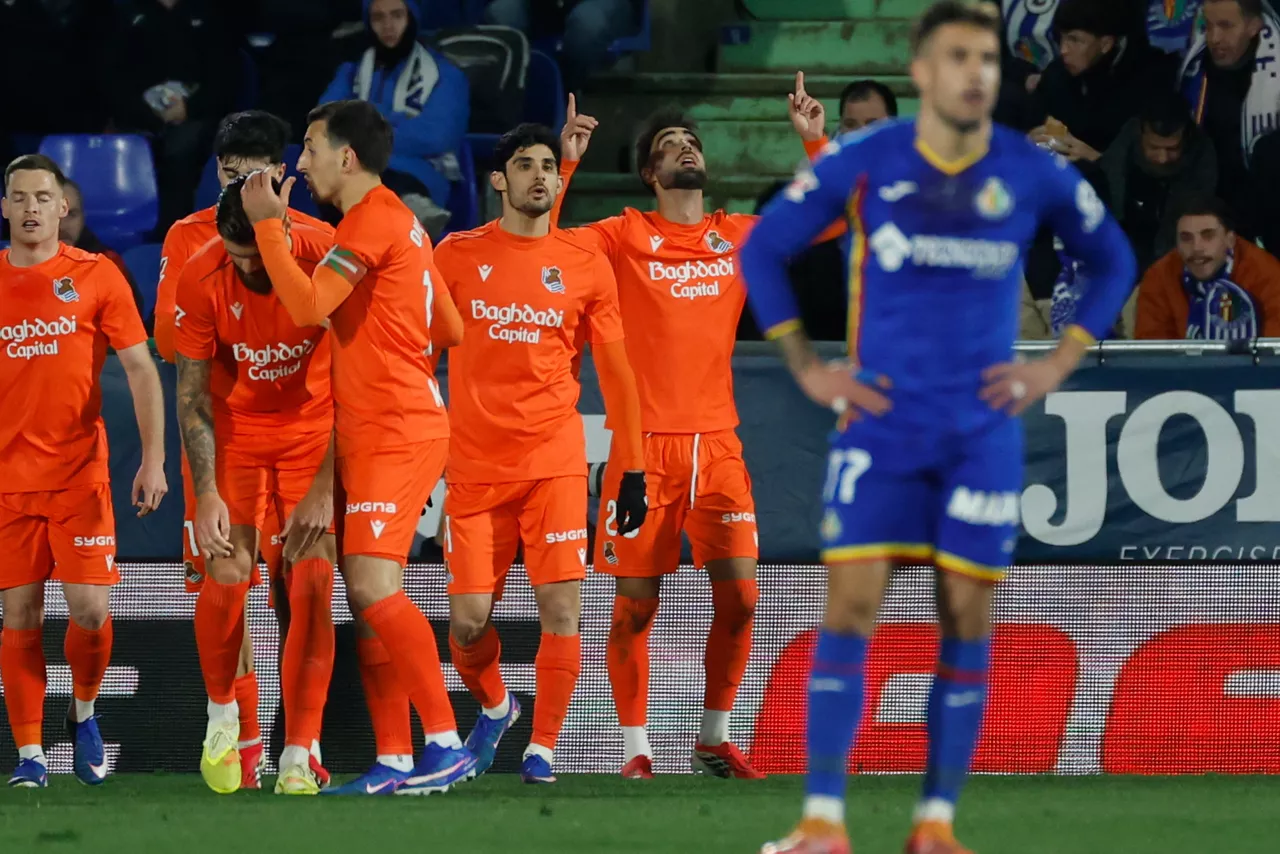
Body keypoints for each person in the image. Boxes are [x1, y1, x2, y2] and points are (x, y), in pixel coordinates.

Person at [739, 3, 1137, 853]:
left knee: (966, 619)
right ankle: (822, 821)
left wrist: (1056, 364)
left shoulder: (1028, 171)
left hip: (979, 434)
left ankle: (935, 826)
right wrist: (808, 366)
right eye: (957, 57)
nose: (975, 73)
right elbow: (764, 248)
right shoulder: (867, 160)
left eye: (988, 59)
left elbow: (1114, 261)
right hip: (881, 430)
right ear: (922, 71)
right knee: (848, 613)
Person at [239, 99, 473, 796]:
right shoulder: (396, 222)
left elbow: (309, 308)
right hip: (390, 421)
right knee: (372, 588)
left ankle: (444, 742)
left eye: (309, 148)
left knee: (372, 584)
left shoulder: (371, 222)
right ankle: (397, 758)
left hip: (393, 429)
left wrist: (269, 230)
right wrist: (390, 343)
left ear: (347, 155)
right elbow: (451, 329)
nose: (300, 163)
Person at [434, 123, 647, 784]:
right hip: (473, 470)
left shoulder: (585, 263)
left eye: (548, 166)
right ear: (498, 180)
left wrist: (631, 468)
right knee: (467, 628)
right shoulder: (455, 256)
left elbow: (617, 374)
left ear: (559, 178)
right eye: (523, 165)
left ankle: (542, 750)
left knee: (563, 611)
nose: (537, 175)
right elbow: (414, 354)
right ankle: (498, 707)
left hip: (553, 461)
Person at [153, 109, 334, 791]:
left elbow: (357, 379)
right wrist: (205, 495)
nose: (249, 270)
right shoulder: (198, 268)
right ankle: (224, 715)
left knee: (314, 582)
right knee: (225, 577)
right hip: (236, 432)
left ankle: (300, 752)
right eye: (238, 260)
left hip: (312, 428)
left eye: (259, 256)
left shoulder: (323, 249)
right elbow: (192, 393)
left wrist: (323, 482)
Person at [0, 154, 167, 788]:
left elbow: (142, 368)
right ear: (6, 207)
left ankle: (84, 712)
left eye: (43, 196)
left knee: (91, 611)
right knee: (19, 616)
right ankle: (30, 757)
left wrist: (153, 459)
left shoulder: (97, 277)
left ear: (63, 207)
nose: (32, 208)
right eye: (20, 197)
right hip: (8, 482)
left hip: (79, 475)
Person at [320, 0, 470, 238]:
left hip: (419, 173)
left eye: (396, 15)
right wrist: (394, 122)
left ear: (412, 19)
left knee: (371, 189)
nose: (388, 25)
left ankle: (411, 208)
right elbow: (325, 123)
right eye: (378, 18)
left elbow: (436, 136)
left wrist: (364, 128)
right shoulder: (351, 72)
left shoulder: (445, 75)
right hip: (352, 171)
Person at [107, 0, 240, 232]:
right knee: (126, 151)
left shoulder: (213, 12)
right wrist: (147, 113)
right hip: (136, 115)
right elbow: (110, 76)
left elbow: (225, 78)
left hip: (193, 114)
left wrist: (189, 108)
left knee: (183, 151)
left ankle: (173, 236)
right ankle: (129, 234)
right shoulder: (121, 11)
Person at [1026, 0, 1174, 163]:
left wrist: (1096, 158)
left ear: (1105, 44)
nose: (1063, 50)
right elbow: (1033, 119)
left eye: (1075, 40)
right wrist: (1027, 141)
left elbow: (1154, 166)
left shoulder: (1151, 80)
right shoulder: (1057, 74)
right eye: (1060, 38)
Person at [1179, 0, 1279, 240]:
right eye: (1208, 25)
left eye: (1225, 26)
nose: (1214, 38)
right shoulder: (1193, 71)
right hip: (1203, 205)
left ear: (1254, 26)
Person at [1099, 92, 1218, 275]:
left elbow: (1189, 224)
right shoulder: (1123, 148)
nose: (1162, 159)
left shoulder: (1202, 159)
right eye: (1154, 147)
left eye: (1172, 149)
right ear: (1140, 134)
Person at [1135, 196, 1280, 338]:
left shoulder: (1267, 274)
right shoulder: (1158, 277)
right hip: (1182, 362)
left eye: (1208, 235)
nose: (1196, 247)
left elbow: (1274, 351)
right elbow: (1152, 353)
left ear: (1230, 240)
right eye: (1186, 238)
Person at [58, 178, 146, 320]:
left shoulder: (107, 263)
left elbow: (128, 327)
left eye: (71, 214)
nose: (62, 226)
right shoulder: (14, 268)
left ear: (82, 218)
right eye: (53, 214)